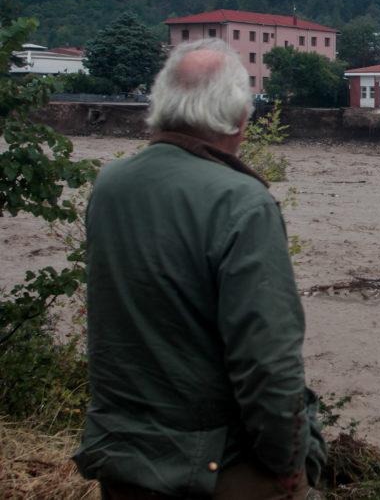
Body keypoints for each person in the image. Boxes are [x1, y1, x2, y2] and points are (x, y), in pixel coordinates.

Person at [74, 38, 326, 499]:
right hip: (212, 468)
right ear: (239, 117)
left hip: (123, 457)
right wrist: (290, 465)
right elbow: (268, 361)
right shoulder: (242, 202)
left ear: (162, 104)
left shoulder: (110, 186)